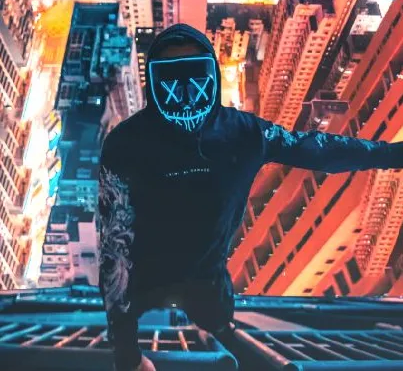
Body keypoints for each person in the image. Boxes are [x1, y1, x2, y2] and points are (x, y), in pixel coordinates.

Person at [98, 23, 403, 371]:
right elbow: (114, 246)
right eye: (170, 76)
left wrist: (392, 155)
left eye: (193, 72)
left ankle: (212, 327)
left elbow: (319, 150)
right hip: (147, 278)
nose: (183, 91)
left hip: (205, 279)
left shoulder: (238, 134)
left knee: (217, 324)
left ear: (210, 72)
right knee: (216, 328)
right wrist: (127, 353)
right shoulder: (129, 146)